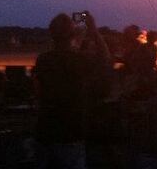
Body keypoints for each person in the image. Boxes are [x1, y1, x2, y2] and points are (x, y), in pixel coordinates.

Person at [33, 11, 111, 169]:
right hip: (71, 132)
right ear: (73, 34)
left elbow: (38, 90)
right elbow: (105, 58)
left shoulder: (43, 60)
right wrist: (93, 30)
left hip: (45, 130)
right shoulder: (79, 60)